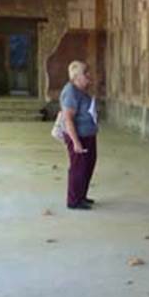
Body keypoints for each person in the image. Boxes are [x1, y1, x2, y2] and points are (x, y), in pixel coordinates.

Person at [60, 60, 98, 210]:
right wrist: (76, 142)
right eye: (85, 73)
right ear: (76, 76)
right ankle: (74, 200)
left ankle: (81, 196)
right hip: (79, 136)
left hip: (88, 135)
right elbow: (68, 118)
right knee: (78, 168)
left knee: (87, 165)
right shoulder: (70, 91)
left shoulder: (80, 91)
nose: (88, 75)